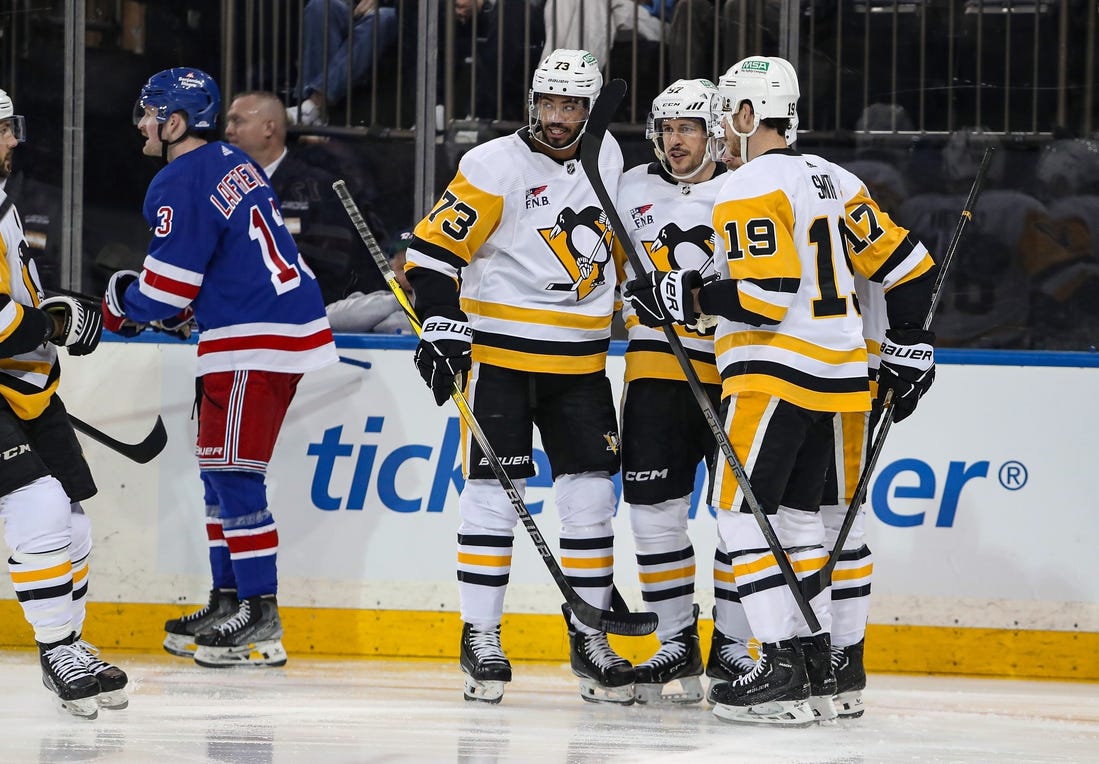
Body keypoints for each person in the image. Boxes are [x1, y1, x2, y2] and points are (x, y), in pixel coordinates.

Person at [624, 55, 939, 725]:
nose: (720, 132)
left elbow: (766, 298)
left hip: (775, 373)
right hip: (844, 374)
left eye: (724, 116)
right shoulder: (835, 175)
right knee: (813, 523)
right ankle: (834, 667)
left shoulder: (747, 185)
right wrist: (909, 342)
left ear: (745, 116)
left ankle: (781, 669)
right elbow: (910, 266)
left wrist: (686, 293)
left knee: (743, 517)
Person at [404, 48, 633, 705]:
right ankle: (480, 637)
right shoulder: (492, 163)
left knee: (591, 503)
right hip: (501, 360)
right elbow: (431, 252)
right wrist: (443, 322)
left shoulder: (608, 156)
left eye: (568, 107)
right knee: (492, 497)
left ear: (588, 111)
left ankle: (589, 639)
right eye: (546, 104)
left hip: (582, 365)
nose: (554, 118)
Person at [102, 68, 339, 668]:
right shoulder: (235, 162)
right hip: (265, 326)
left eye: (150, 112)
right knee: (219, 472)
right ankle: (228, 599)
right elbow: (215, 262)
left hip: (253, 336)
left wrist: (117, 310)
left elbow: (167, 289)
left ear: (175, 123)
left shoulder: (178, 177)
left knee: (233, 474)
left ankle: (260, 617)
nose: (142, 123)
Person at [0, 88, 127, 718]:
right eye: (3, 128)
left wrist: (58, 309)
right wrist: (48, 324)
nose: (14, 139)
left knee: (72, 515)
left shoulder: (1, 199)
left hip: (25, 386)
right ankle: (55, 647)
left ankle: (69, 644)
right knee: (39, 501)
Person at [613, 78, 731, 705]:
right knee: (654, 511)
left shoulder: (745, 189)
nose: (674, 139)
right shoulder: (631, 186)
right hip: (657, 368)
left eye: (688, 127)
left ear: (715, 130)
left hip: (736, 372)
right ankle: (677, 639)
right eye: (666, 127)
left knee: (739, 518)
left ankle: (735, 647)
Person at [224, 90, 387, 306]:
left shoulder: (320, 187)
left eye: (237, 121)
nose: (228, 131)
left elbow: (331, 267)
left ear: (268, 128)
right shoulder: (222, 184)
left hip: (314, 317)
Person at [288, 0, 399, 127]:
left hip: (392, 11)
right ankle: (312, 113)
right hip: (349, 9)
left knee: (384, 18)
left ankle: (313, 107)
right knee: (320, 5)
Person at [325, 229, 415, 333]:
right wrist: (401, 300)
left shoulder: (437, 304)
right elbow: (329, 319)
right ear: (391, 270)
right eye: (403, 267)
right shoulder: (378, 300)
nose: (412, 274)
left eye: (421, 267)